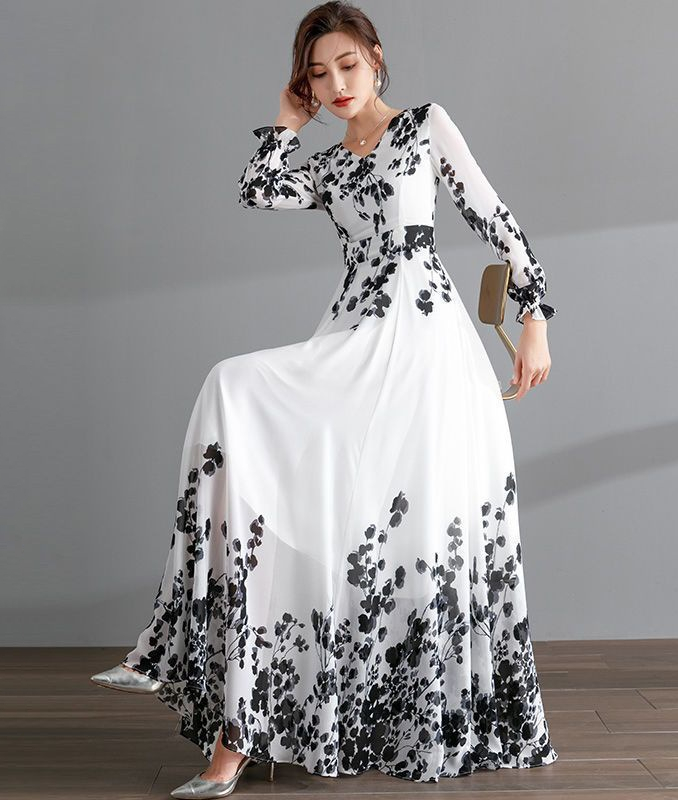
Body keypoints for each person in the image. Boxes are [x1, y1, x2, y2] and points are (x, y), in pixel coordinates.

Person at [91, 1, 558, 795]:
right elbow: (257, 189)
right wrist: (287, 121)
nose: (336, 84)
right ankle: (213, 706)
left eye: (347, 64)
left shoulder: (424, 126)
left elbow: (494, 216)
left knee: (400, 532)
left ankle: (400, 722)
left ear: (375, 56)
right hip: (350, 336)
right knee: (249, 427)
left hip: (422, 340)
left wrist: (534, 316)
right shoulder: (331, 165)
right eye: (317, 74)